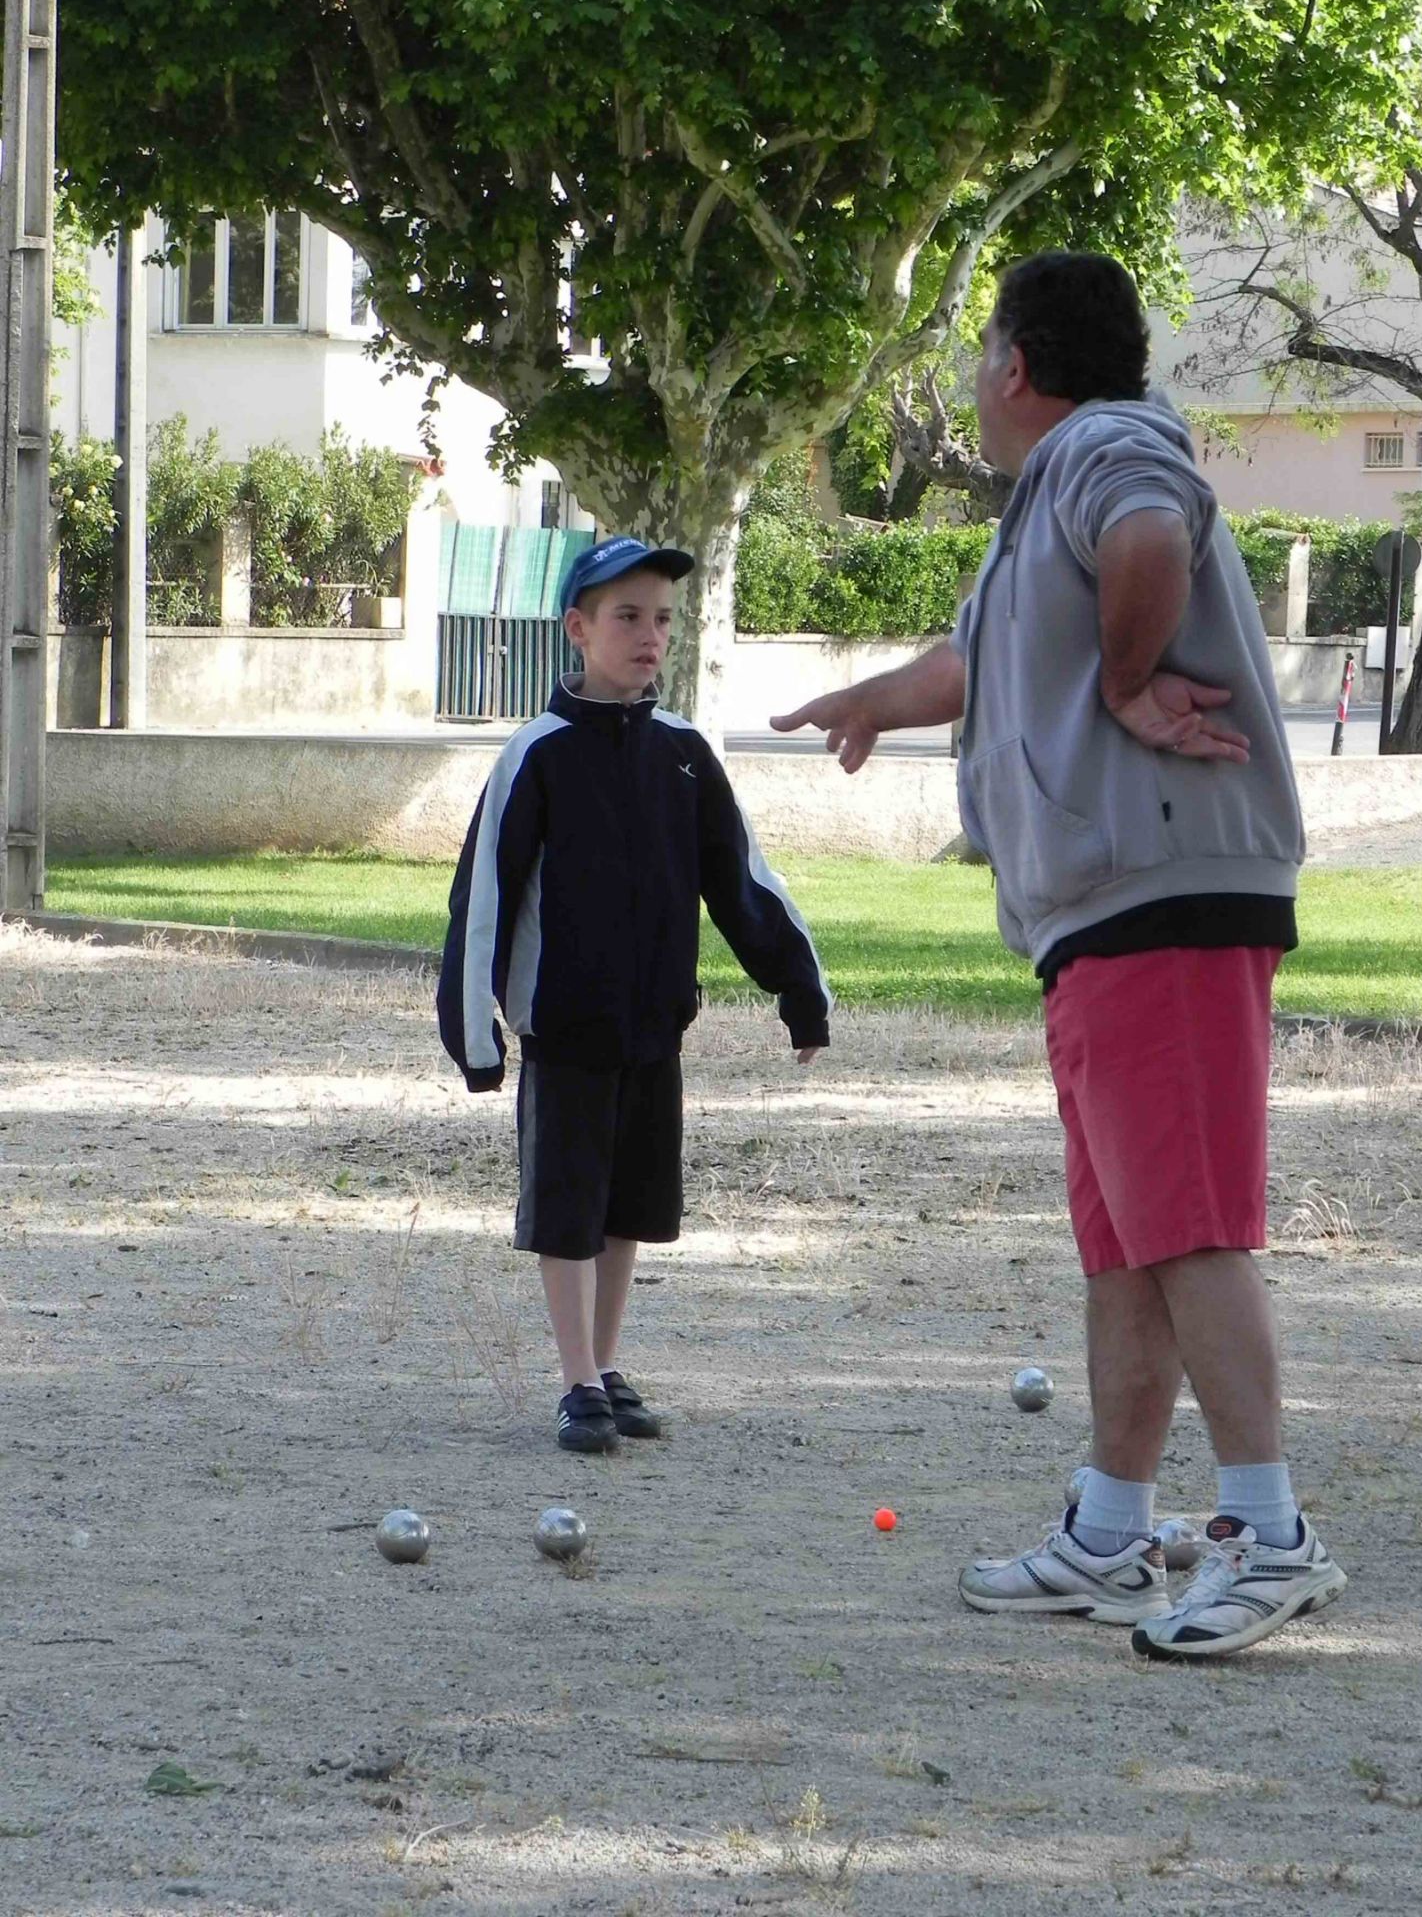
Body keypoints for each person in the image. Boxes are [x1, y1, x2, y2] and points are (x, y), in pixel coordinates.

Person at [773, 251, 1345, 1661]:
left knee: (1189, 1226)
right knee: (1128, 1241)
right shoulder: (1042, 508)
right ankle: (1110, 1531)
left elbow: (1151, 536)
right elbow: (980, 659)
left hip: (1163, 894)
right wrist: (872, 699)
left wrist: (1131, 682)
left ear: (1016, 366)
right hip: (1105, 912)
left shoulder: (1103, 448)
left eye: (982, 354)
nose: (977, 379)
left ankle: (1270, 1534)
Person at [438, 535, 831, 1453]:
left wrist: (800, 992)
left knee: (628, 1211)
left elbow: (743, 882)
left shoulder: (684, 753)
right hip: (566, 1030)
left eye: (661, 618)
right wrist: (475, 1033)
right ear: (578, 629)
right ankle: (576, 1380)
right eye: (627, 617)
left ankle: (607, 1366)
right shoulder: (535, 755)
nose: (649, 635)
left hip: (655, 1028)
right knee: (568, 1210)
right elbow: (484, 898)